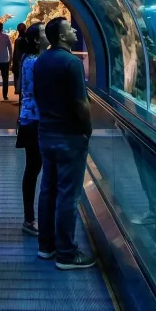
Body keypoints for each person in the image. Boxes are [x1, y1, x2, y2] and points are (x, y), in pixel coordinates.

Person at [33, 17, 96, 270]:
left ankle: (46, 245)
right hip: (69, 136)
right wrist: (87, 129)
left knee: (47, 190)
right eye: (69, 29)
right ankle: (66, 253)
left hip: (46, 133)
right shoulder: (72, 63)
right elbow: (81, 102)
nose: (74, 31)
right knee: (68, 194)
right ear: (61, 36)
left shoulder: (41, 61)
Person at [16, 22, 44, 235]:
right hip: (36, 120)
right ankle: (30, 218)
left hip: (31, 118)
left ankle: (30, 217)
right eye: (44, 32)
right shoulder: (35, 61)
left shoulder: (29, 59)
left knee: (33, 168)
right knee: (34, 168)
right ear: (36, 40)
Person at [11, 22, 27, 101]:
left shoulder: (18, 40)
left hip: (18, 62)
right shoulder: (25, 40)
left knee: (18, 79)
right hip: (22, 62)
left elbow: (16, 53)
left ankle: (21, 98)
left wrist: (14, 63)